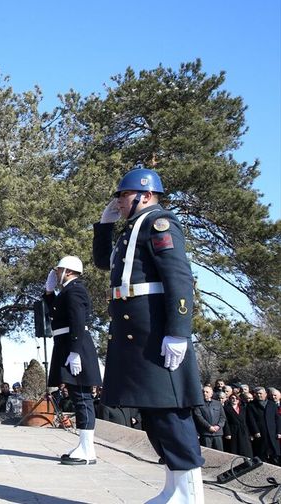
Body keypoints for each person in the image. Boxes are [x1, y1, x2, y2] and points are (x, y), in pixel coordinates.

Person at [92, 166, 204, 502]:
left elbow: (178, 278)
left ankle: (190, 493)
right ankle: (173, 487)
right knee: (153, 412)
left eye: (124, 196)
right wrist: (105, 227)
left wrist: (178, 331)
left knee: (170, 411)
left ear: (145, 194)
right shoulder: (131, 230)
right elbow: (103, 264)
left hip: (155, 331)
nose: (120, 202)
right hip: (135, 332)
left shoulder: (160, 223)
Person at [43, 255, 102, 465]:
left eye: (58, 270)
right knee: (78, 397)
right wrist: (49, 293)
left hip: (75, 346)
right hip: (68, 345)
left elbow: (77, 320)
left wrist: (75, 351)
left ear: (68, 271)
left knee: (83, 397)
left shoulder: (75, 289)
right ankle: (84, 446)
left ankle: (88, 450)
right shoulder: (67, 290)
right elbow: (56, 313)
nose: (56, 273)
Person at [193, 386, 225, 450]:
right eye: (203, 392)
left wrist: (218, 426)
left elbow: (223, 417)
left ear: (211, 393)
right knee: (207, 453)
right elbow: (199, 417)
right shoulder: (198, 404)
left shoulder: (218, 403)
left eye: (207, 392)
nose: (204, 393)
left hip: (217, 433)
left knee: (220, 453)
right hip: (206, 433)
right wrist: (209, 427)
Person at [222, 392, 253, 457]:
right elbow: (226, 422)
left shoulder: (243, 408)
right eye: (232, 398)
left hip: (244, 431)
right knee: (235, 449)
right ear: (229, 399)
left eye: (236, 398)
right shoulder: (226, 409)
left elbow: (248, 421)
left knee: (246, 448)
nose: (234, 399)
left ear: (239, 400)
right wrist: (227, 433)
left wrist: (250, 433)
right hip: (233, 430)